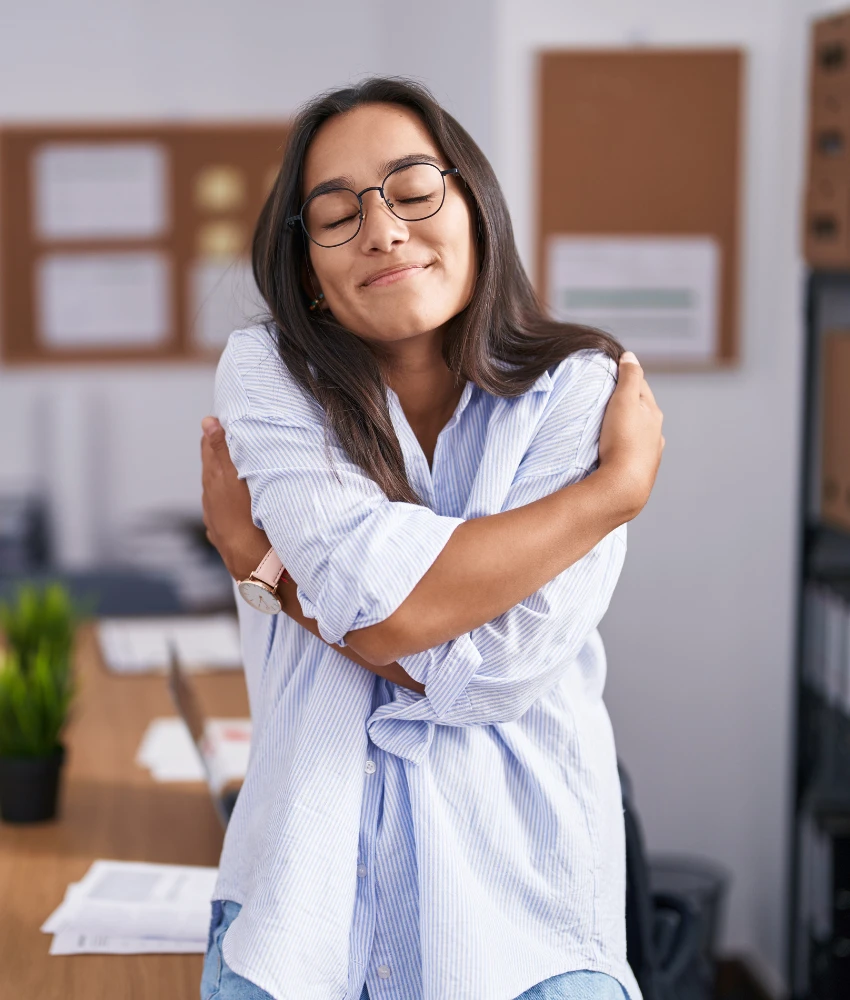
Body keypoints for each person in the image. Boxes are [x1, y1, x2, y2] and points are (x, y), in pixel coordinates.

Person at [199, 77, 664, 1000]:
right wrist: (612, 495)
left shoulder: (580, 389)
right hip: (299, 926)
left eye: (413, 192)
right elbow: (388, 613)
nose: (383, 229)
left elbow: (490, 670)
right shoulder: (267, 375)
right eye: (336, 215)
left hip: (528, 933)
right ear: (307, 276)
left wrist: (268, 573)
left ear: (475, 210)